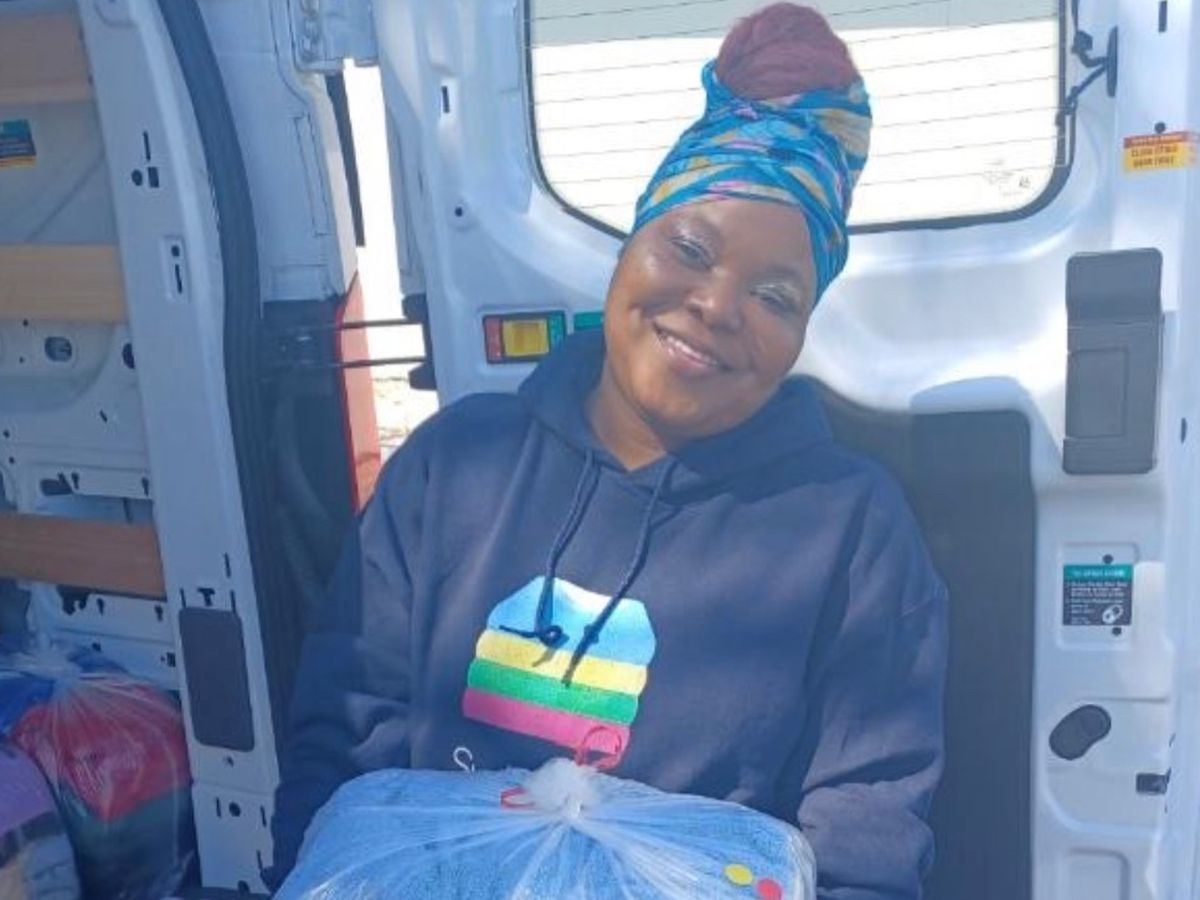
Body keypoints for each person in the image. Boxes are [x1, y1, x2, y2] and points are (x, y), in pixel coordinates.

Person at [267, 5, 949, 897]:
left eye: (776, 296)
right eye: (691, 247)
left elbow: (866, 828)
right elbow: (343, 743)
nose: (717, 305)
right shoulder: (453, 467)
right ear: (634, 239)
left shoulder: (851, 530)